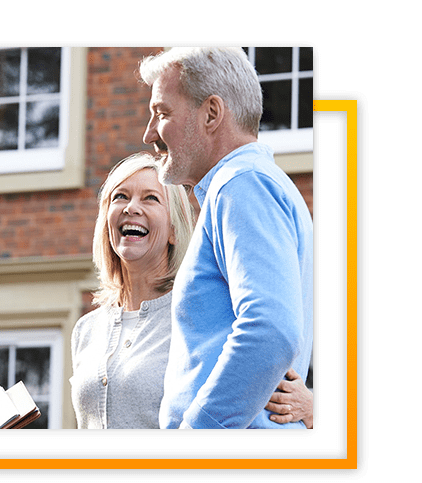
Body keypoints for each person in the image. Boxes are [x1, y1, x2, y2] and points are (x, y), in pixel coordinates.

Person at [70, 153, 313, 428]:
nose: (131, 208)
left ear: (174, 230)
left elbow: (266, 363)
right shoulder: (85, 330)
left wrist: (313, 406)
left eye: (150, 198)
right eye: (120, 197)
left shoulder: (203, 316)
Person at [139, 47, 314, 429]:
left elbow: (270, 329)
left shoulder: (241, 185)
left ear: (212, 114)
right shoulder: (251, 184)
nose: (149, 134)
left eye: (162, 113)